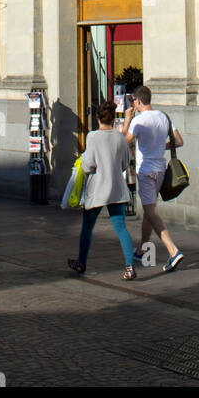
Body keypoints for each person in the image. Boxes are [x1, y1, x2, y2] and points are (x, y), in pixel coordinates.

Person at [68, 99, 136, 280]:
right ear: (113, 119)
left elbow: (88, 165)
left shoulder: (92, 137)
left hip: (97, 189)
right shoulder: (119, 137)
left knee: (87, 227)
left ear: (97, 118)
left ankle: (81, 262)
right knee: (121, 228)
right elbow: (125, 162)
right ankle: (130, 266)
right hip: (116, 189)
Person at [123, 86, 184, 273]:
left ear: (138, 101)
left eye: (133, 100)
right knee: (149, 209)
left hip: (146, 170)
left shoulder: (138, 121)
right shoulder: (164, 117)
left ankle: (173, 251)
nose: (133, 104)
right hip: (160, 169)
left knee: (150, 212)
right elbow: (178, 141)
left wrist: (127, 119)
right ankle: (142, 249)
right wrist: (160, 146)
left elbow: (124, 142)